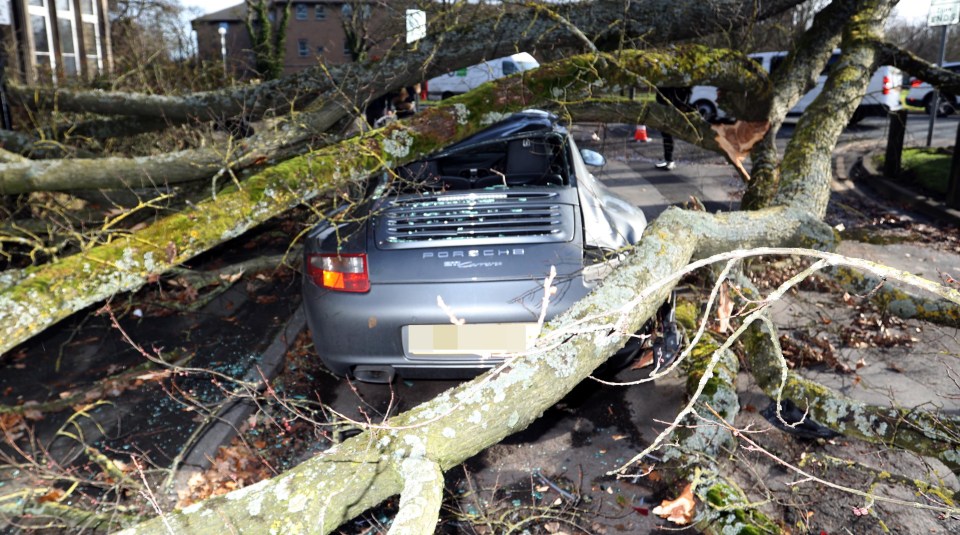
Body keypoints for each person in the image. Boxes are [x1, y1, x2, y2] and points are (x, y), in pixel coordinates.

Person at [655, 86, 692, 170]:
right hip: (665, 104)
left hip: (677, 104)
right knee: (665, 132)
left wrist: (684, 105)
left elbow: (688, 89)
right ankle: (668, 159)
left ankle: (669, 160)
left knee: (669, 132)